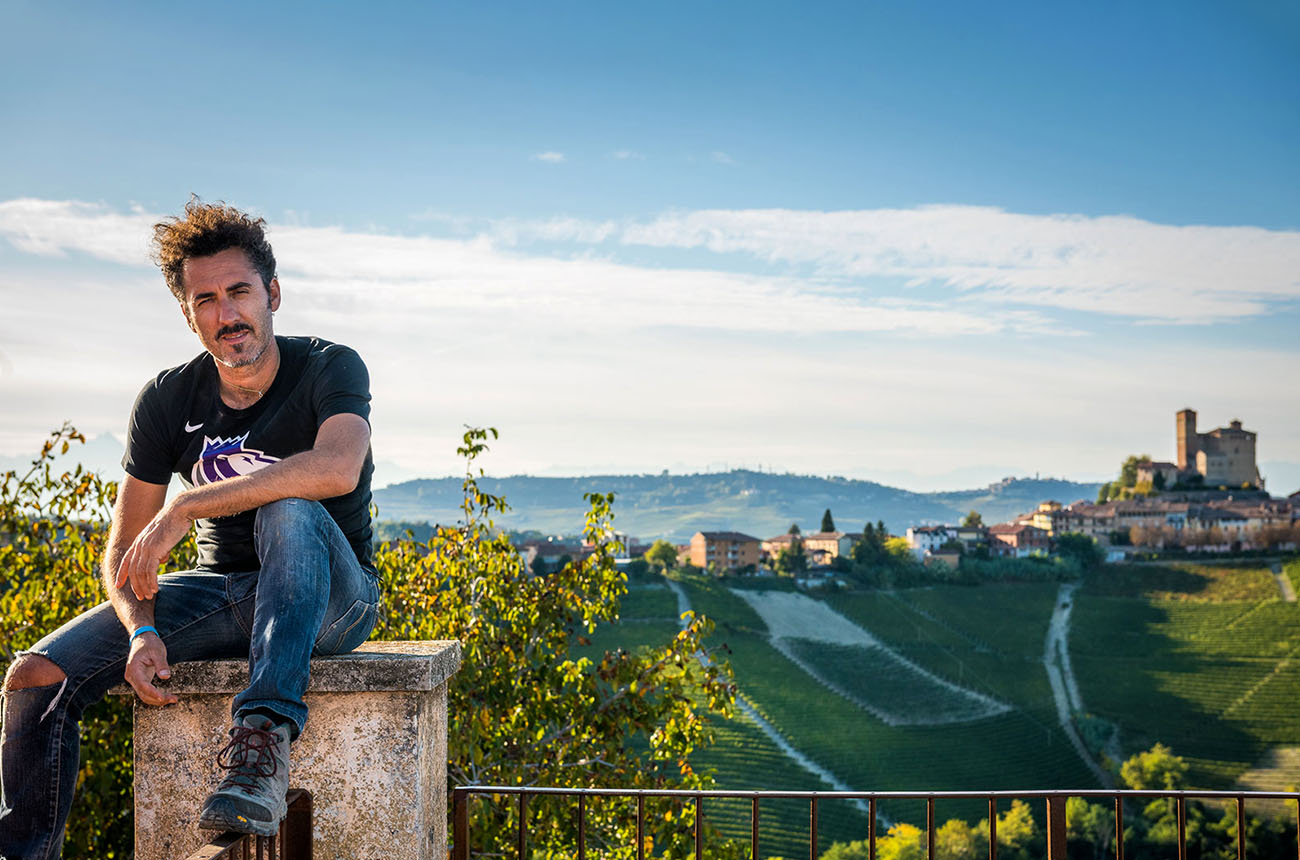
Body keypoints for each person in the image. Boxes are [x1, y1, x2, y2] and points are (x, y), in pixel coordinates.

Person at [0, 199, 381, 859]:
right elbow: (124, 548)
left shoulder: (329, 366)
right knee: (34, 675)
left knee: (286, 508)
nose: (227, 313)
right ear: (188, 313)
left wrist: (187, 507)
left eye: (240, 292)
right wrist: (141, 630)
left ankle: (260, 754)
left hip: (331, 598)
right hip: (223, 593)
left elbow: (337, 467)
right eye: (206, 299)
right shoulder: (167, 399)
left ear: (273, 294)